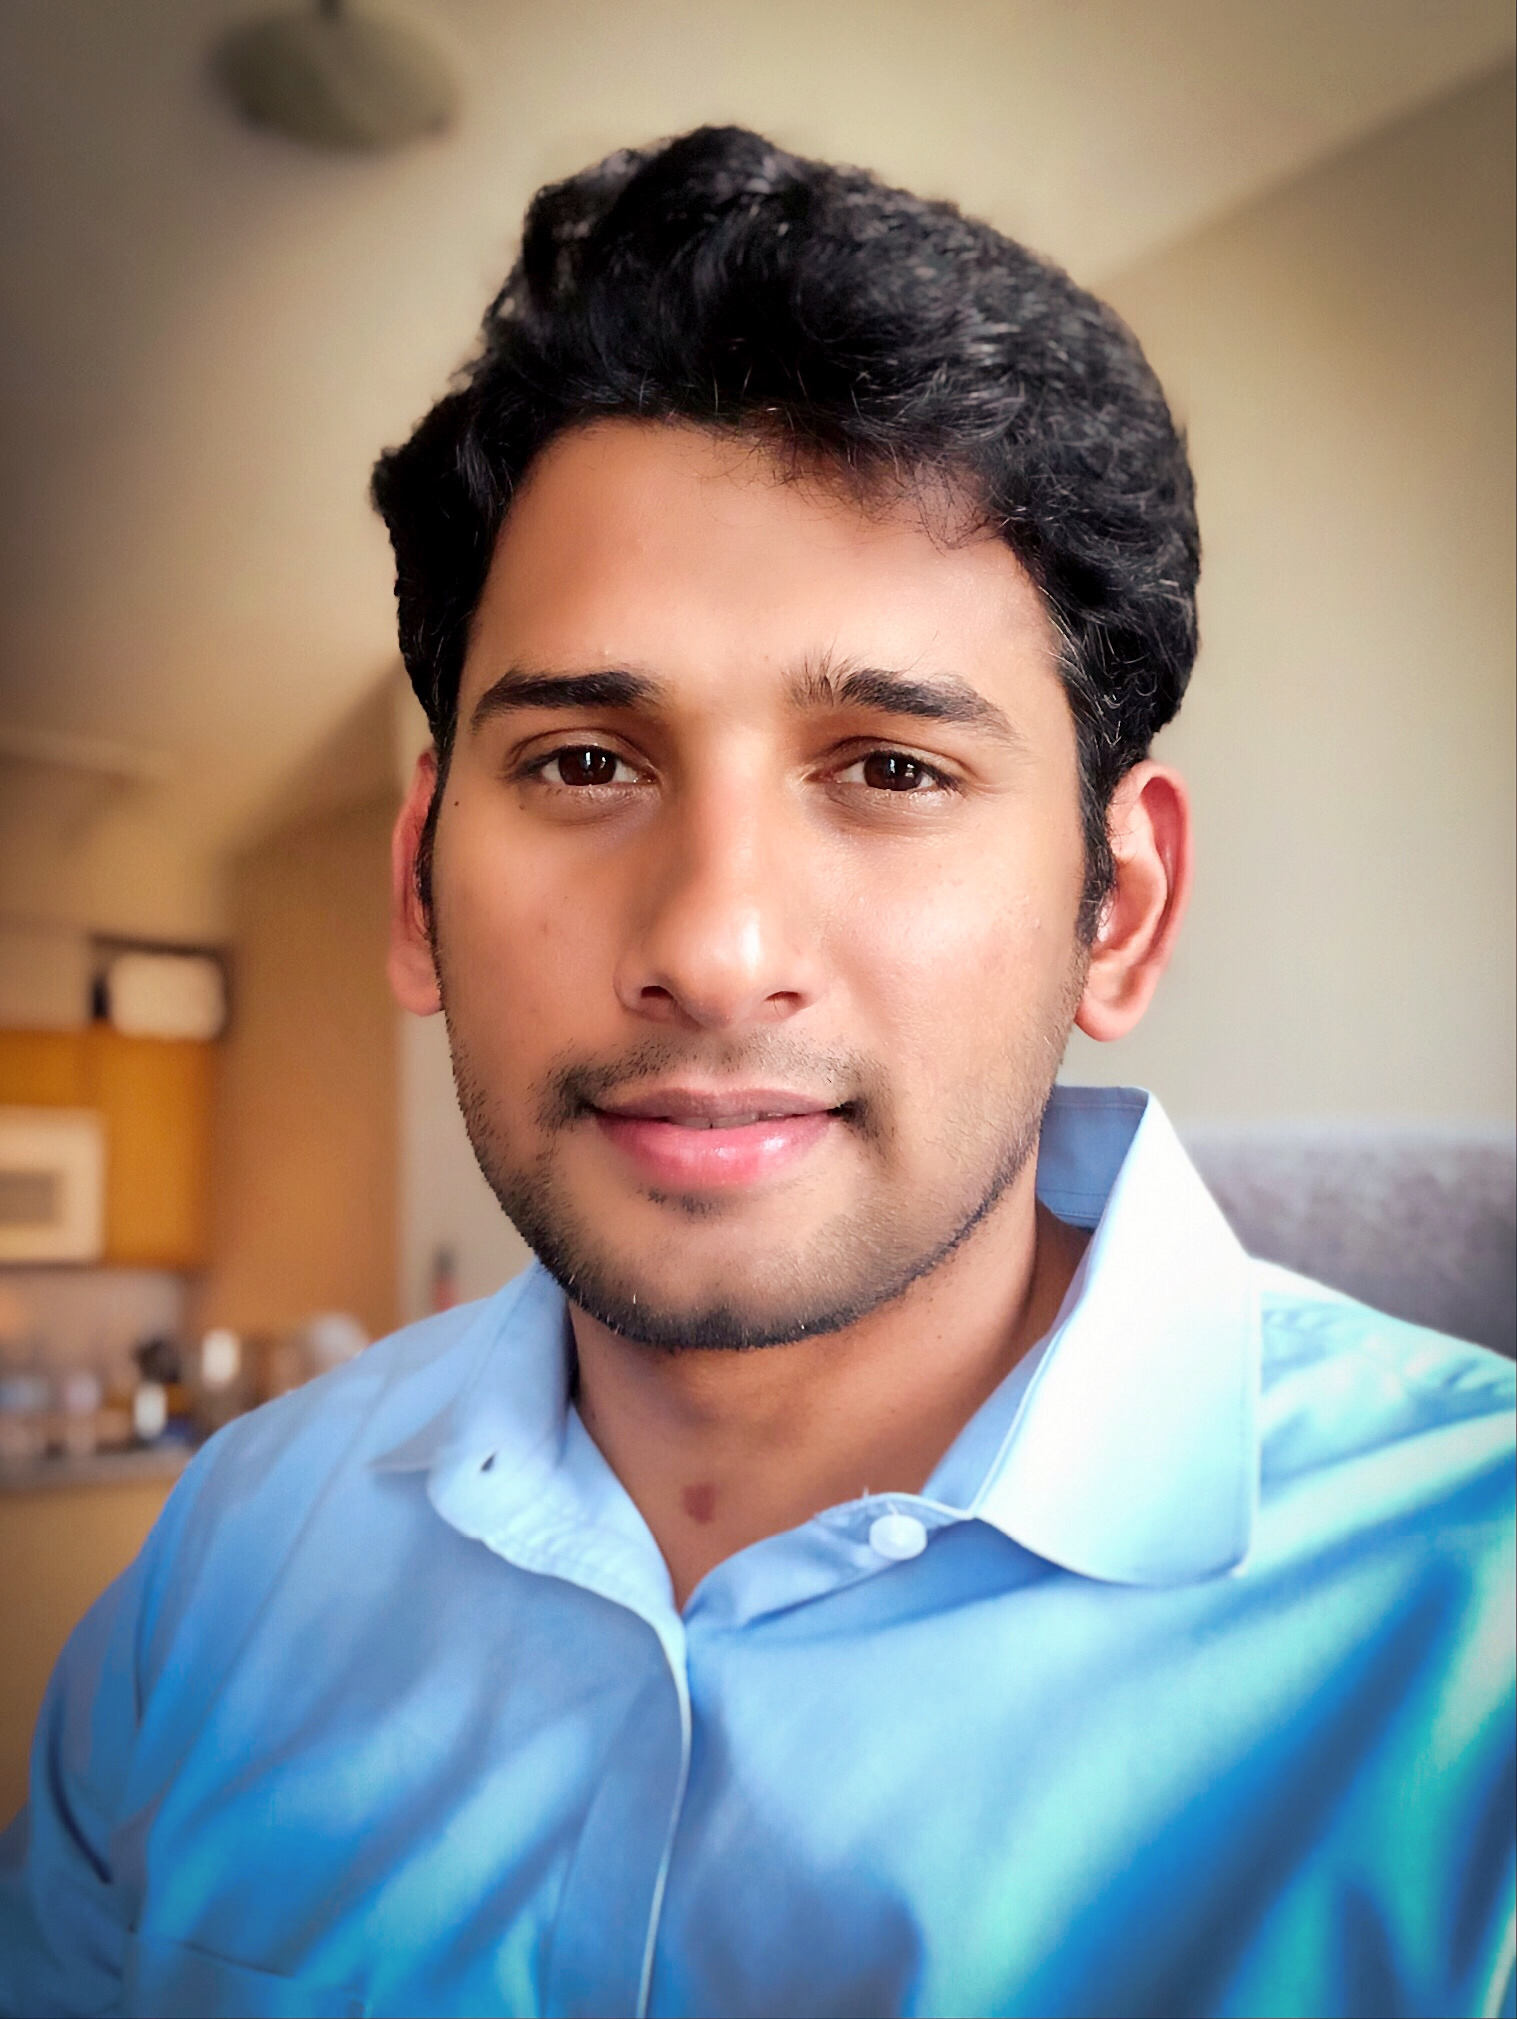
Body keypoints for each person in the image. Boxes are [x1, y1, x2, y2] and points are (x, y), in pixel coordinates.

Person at [2, 125, 1512, 2019]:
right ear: (414, 889)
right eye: (582, 765)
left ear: (1116, 911)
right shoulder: (223, 1567)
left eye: (890, 769)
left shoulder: (1477, 1644)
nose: (712, 948)